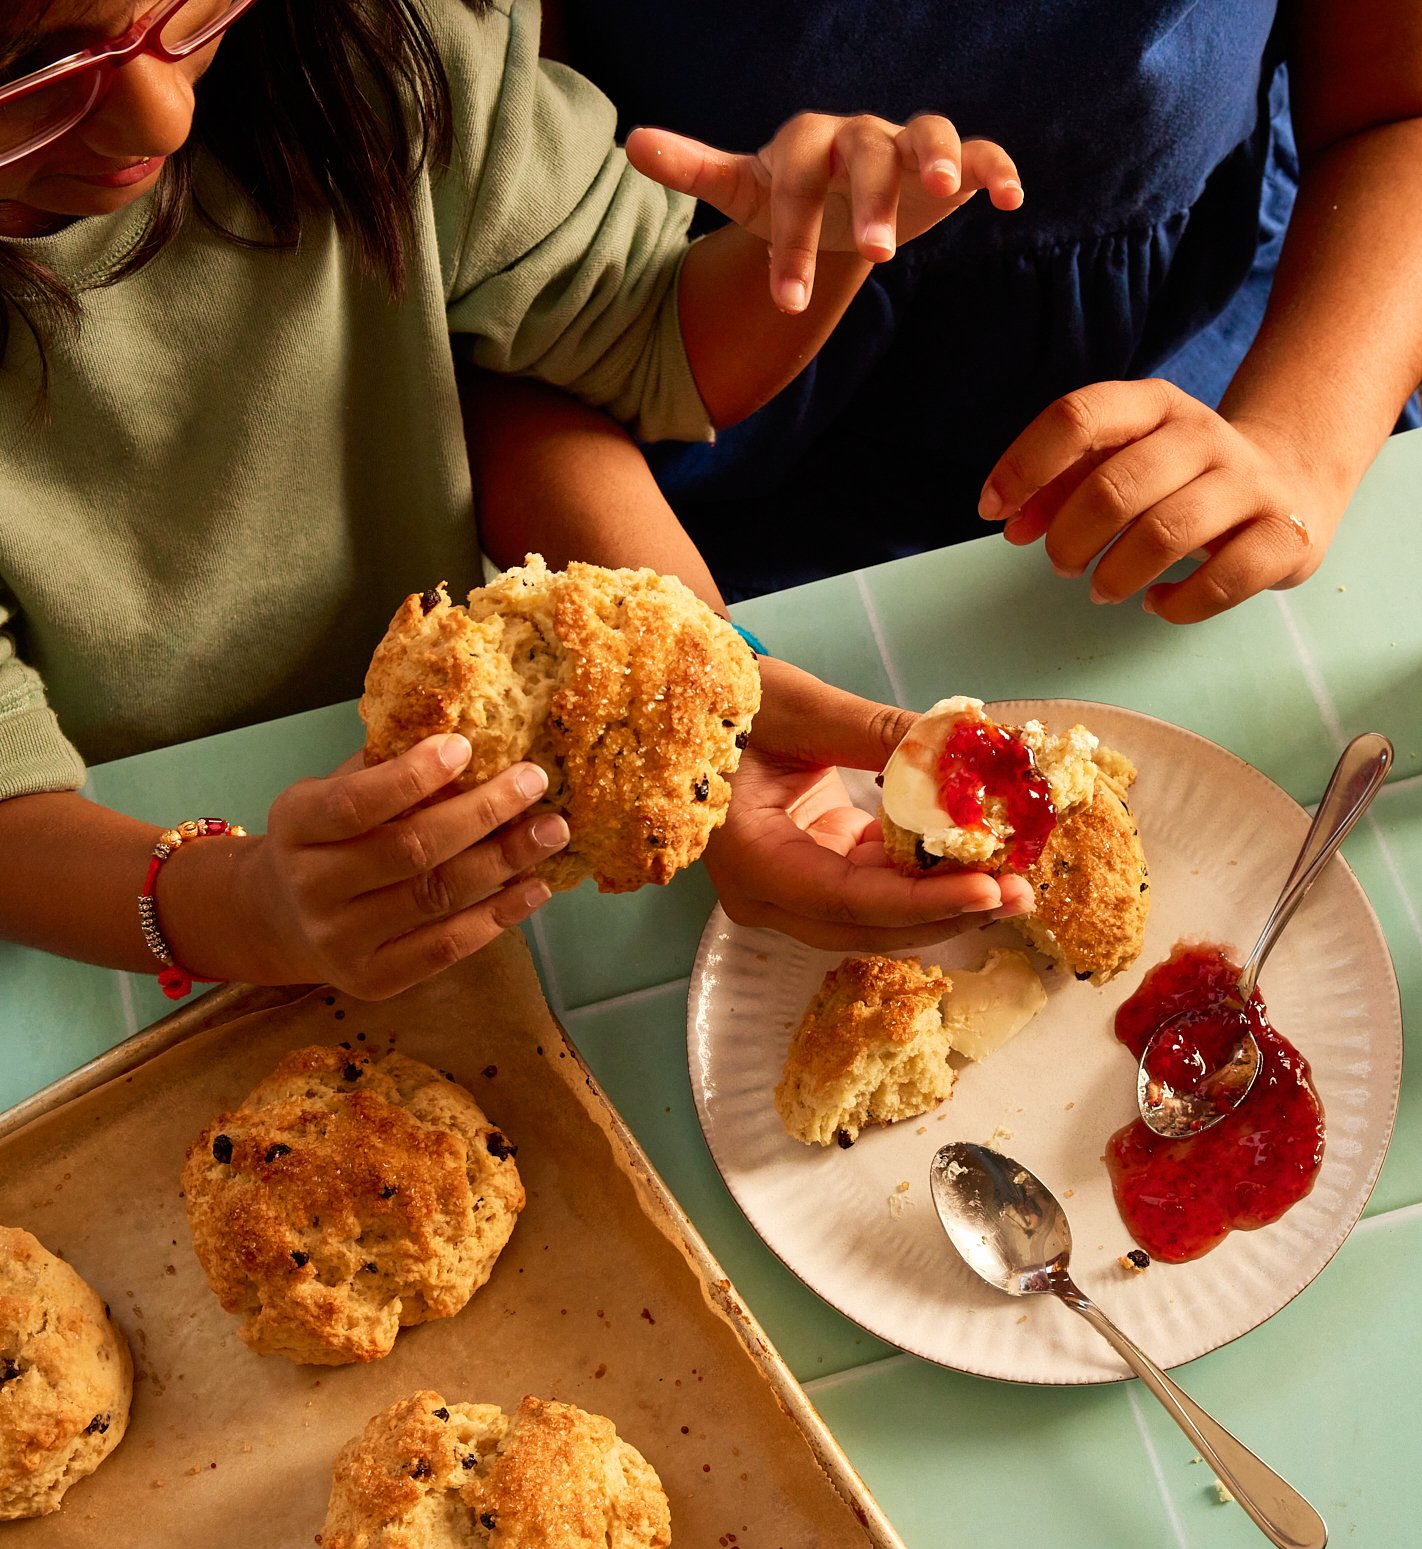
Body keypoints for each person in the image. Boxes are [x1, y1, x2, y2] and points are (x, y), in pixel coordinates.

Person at [0, 0, 1033, 1001]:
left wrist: (822, 244)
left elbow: (645, 346)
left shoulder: (374, 52)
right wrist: (244, 907)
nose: (160, 116)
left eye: (181, 8)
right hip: (90, 866)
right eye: (32, 73)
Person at [547, 0, 1422, 621]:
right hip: (668, 479)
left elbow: (1397, 114)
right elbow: (474, 275)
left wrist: (1297, 444)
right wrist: (707, 670)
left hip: (1215, 391)